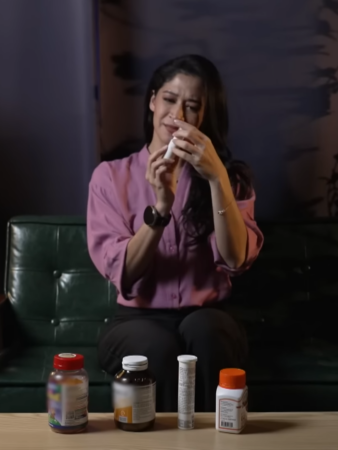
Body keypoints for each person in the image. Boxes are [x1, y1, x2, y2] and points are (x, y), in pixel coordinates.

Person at [86, 54, 263, 413]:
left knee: (208, 332)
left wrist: (216, 179)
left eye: (192, 106)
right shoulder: (109, 177)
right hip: (137, 318)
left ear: (203, 117)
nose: (177, 115)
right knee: (156, 346)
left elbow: (235, 258)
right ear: (152, 101)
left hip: (210, 314)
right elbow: (125, 272)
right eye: (169, 99)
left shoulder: (230, 179)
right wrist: (161, 209)